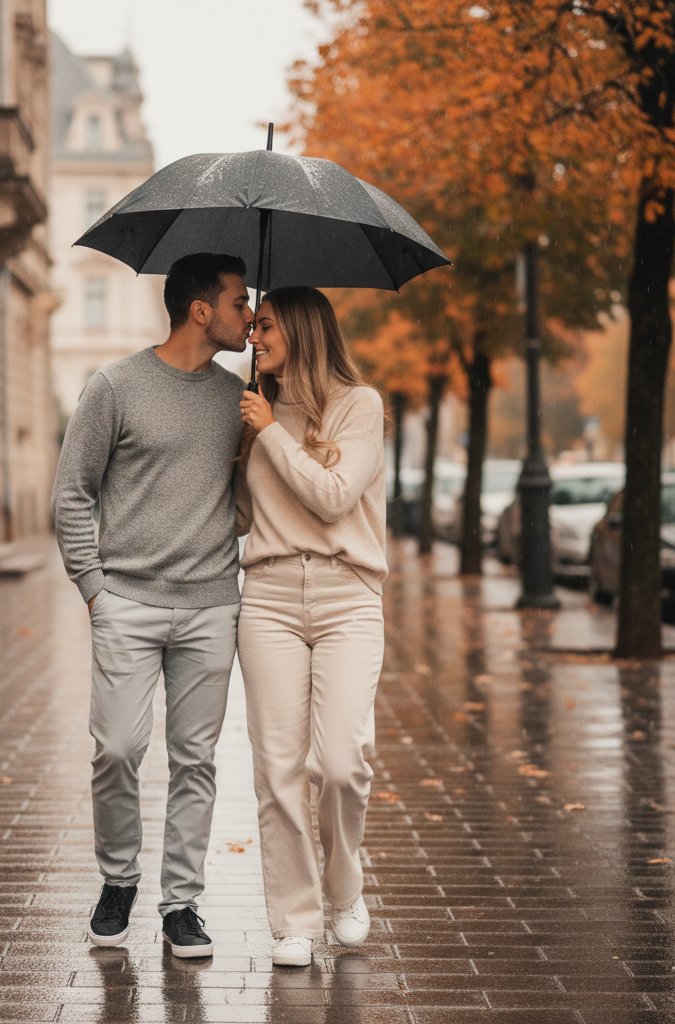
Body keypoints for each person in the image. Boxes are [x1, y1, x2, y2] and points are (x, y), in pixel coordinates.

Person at [51, 252, 253, 959]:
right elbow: (72, 491)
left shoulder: (239, 399)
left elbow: (250, 501)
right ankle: (118, 882)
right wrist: (94, 589)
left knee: (196, 760)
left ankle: (181, 905)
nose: (249, 315)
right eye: (239, 302)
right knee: (116, 749)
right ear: (201, 310)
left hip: (210, 606)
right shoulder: (115, 386)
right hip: (127, 602)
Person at [235, 286, 386, 968]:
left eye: (265, 324)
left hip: (346, 595)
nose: (254, 336)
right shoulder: (252, 411)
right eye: (253, 325)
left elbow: (332, 498)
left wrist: (271, 431)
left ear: (302, 329)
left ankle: (344, 888)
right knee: (278, 769)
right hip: (268, 597)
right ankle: (293, 920)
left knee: (341, 763)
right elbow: (240, 514)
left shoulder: (360, 406)